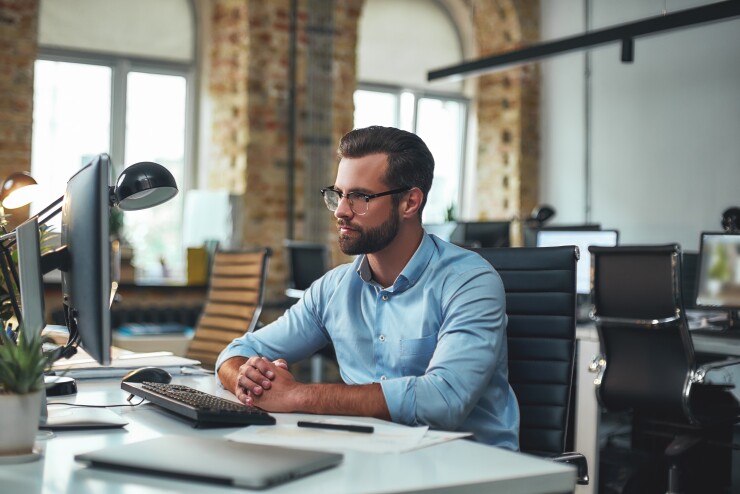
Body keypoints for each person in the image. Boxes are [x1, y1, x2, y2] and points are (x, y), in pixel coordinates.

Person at [216, 125, 519, 449]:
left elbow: (443, 400)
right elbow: (235, 353)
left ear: (410, 203)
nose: (342, 211)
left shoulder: (469, 282)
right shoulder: (334, 288)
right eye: (338, 195)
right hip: (371, 458)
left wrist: (297, 395)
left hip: (470, 468)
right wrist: (248, 381)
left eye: (360, 197)